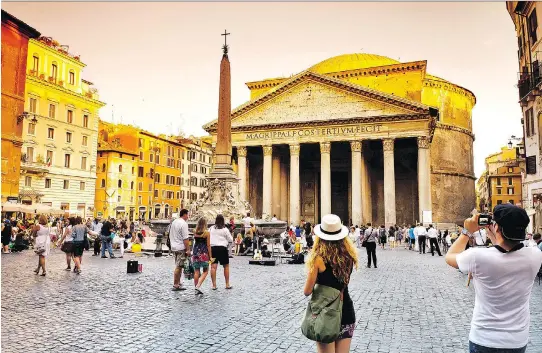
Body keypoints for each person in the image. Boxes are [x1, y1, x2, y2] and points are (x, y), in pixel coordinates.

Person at [445, 205, 542, 353]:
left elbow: (449, 257)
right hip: (517, 340)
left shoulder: (477, 257)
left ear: (496, 227)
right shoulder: (535, 255)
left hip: (485, 339)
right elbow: (507, 252)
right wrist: (496, 235)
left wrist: (467, 232)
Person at [304, 214, 358, 352]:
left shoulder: (318, 259)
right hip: (346, 312)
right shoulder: (349, 257)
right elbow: (343, 283)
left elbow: (307, 291)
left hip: (325, 314)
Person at [210, 214, 233, 290]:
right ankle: (227, 284)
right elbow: (230, 239)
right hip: (222, 249)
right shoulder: (225, 229)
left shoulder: (211, 228)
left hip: (213, 249)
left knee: (213, 267)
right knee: (226, 266)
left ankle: (214, 285)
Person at [170, 209, 190, 291]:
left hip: (174, 246)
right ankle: (176, 284)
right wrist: (188, 249)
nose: (188, 217)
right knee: (178, 266)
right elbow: (185, 238)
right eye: (188, 215)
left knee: (179, 265)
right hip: (181, 247)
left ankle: (178, 282)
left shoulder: (174, 222)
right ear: (184, 215)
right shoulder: (184, 224)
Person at [192, 217, 212, 295]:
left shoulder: (194, 231)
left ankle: (196, 288)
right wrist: (210, 256)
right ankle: (198, 285)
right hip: (204, 253)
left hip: (196, 253)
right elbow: (208, 245)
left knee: (196, 271)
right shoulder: (207, 233)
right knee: (205, 271)